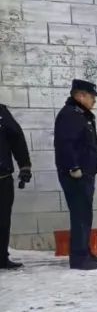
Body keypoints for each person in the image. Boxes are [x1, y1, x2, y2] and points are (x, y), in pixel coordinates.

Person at [54, 79, 97, 271]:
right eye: (92, 97)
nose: (94, 101)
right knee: (80, 215)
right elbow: (66, 143)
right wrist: (73, 167)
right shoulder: (71, 115)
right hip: (76, 175)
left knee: (84, 215)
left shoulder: (81, 114)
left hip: (85, 174)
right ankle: (79, 258)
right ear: (81, 95)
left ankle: (85, 251)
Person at [1, 103, 32, 270]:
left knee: (3, 221)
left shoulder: (2, 113)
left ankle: (1, 257)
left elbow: (17, 139)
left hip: (2, 178)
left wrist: (25, 166)